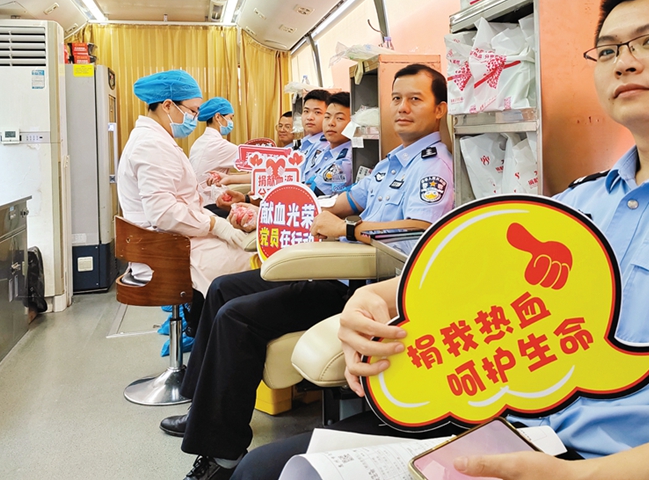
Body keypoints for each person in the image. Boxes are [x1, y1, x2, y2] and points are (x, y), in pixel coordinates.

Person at [234, 0, 649, 480]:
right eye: (608, 50)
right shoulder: (581, 202)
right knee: (267, 469)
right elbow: (472, 276)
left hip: (609, 464)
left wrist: (583, 477)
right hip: (506, 426)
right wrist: (373, 301)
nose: (625, 60)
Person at [168, 64, 455, 480]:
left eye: (415, 99)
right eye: (396, 99)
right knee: (223, 289)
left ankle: (221, 455)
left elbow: (419, 229)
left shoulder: (432, 166)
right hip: (334, 267)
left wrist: (349, 230)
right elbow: (343, 201)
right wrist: (274, 211)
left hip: (361, 286)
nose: (402, 108)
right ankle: (201, 407)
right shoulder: (392, 162)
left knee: (236, 318)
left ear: (440, 108)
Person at [117, 70, 252, 294]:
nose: (195, 118)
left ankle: (209, 315)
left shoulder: (155, 139)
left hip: (174, 240)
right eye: (192, 111)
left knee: (244, 252)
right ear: (167, 105)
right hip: (169, 249)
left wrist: (216, 224)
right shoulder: (151, 144)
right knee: (256, 264)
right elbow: (163, 212)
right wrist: (215, 225)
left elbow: (182, 201)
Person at [304, 92, 353, 196]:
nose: (331, 123)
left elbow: (313, 193)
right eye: (327, 117)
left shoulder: (346, 160)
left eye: (339, 118)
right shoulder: (322, 148)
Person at [189, 97, 239, 186]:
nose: (231, 122)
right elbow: (256, 159)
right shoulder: (218, 145)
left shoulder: (199, 142)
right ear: (218, 117)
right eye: (230, 118)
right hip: (209, 194)